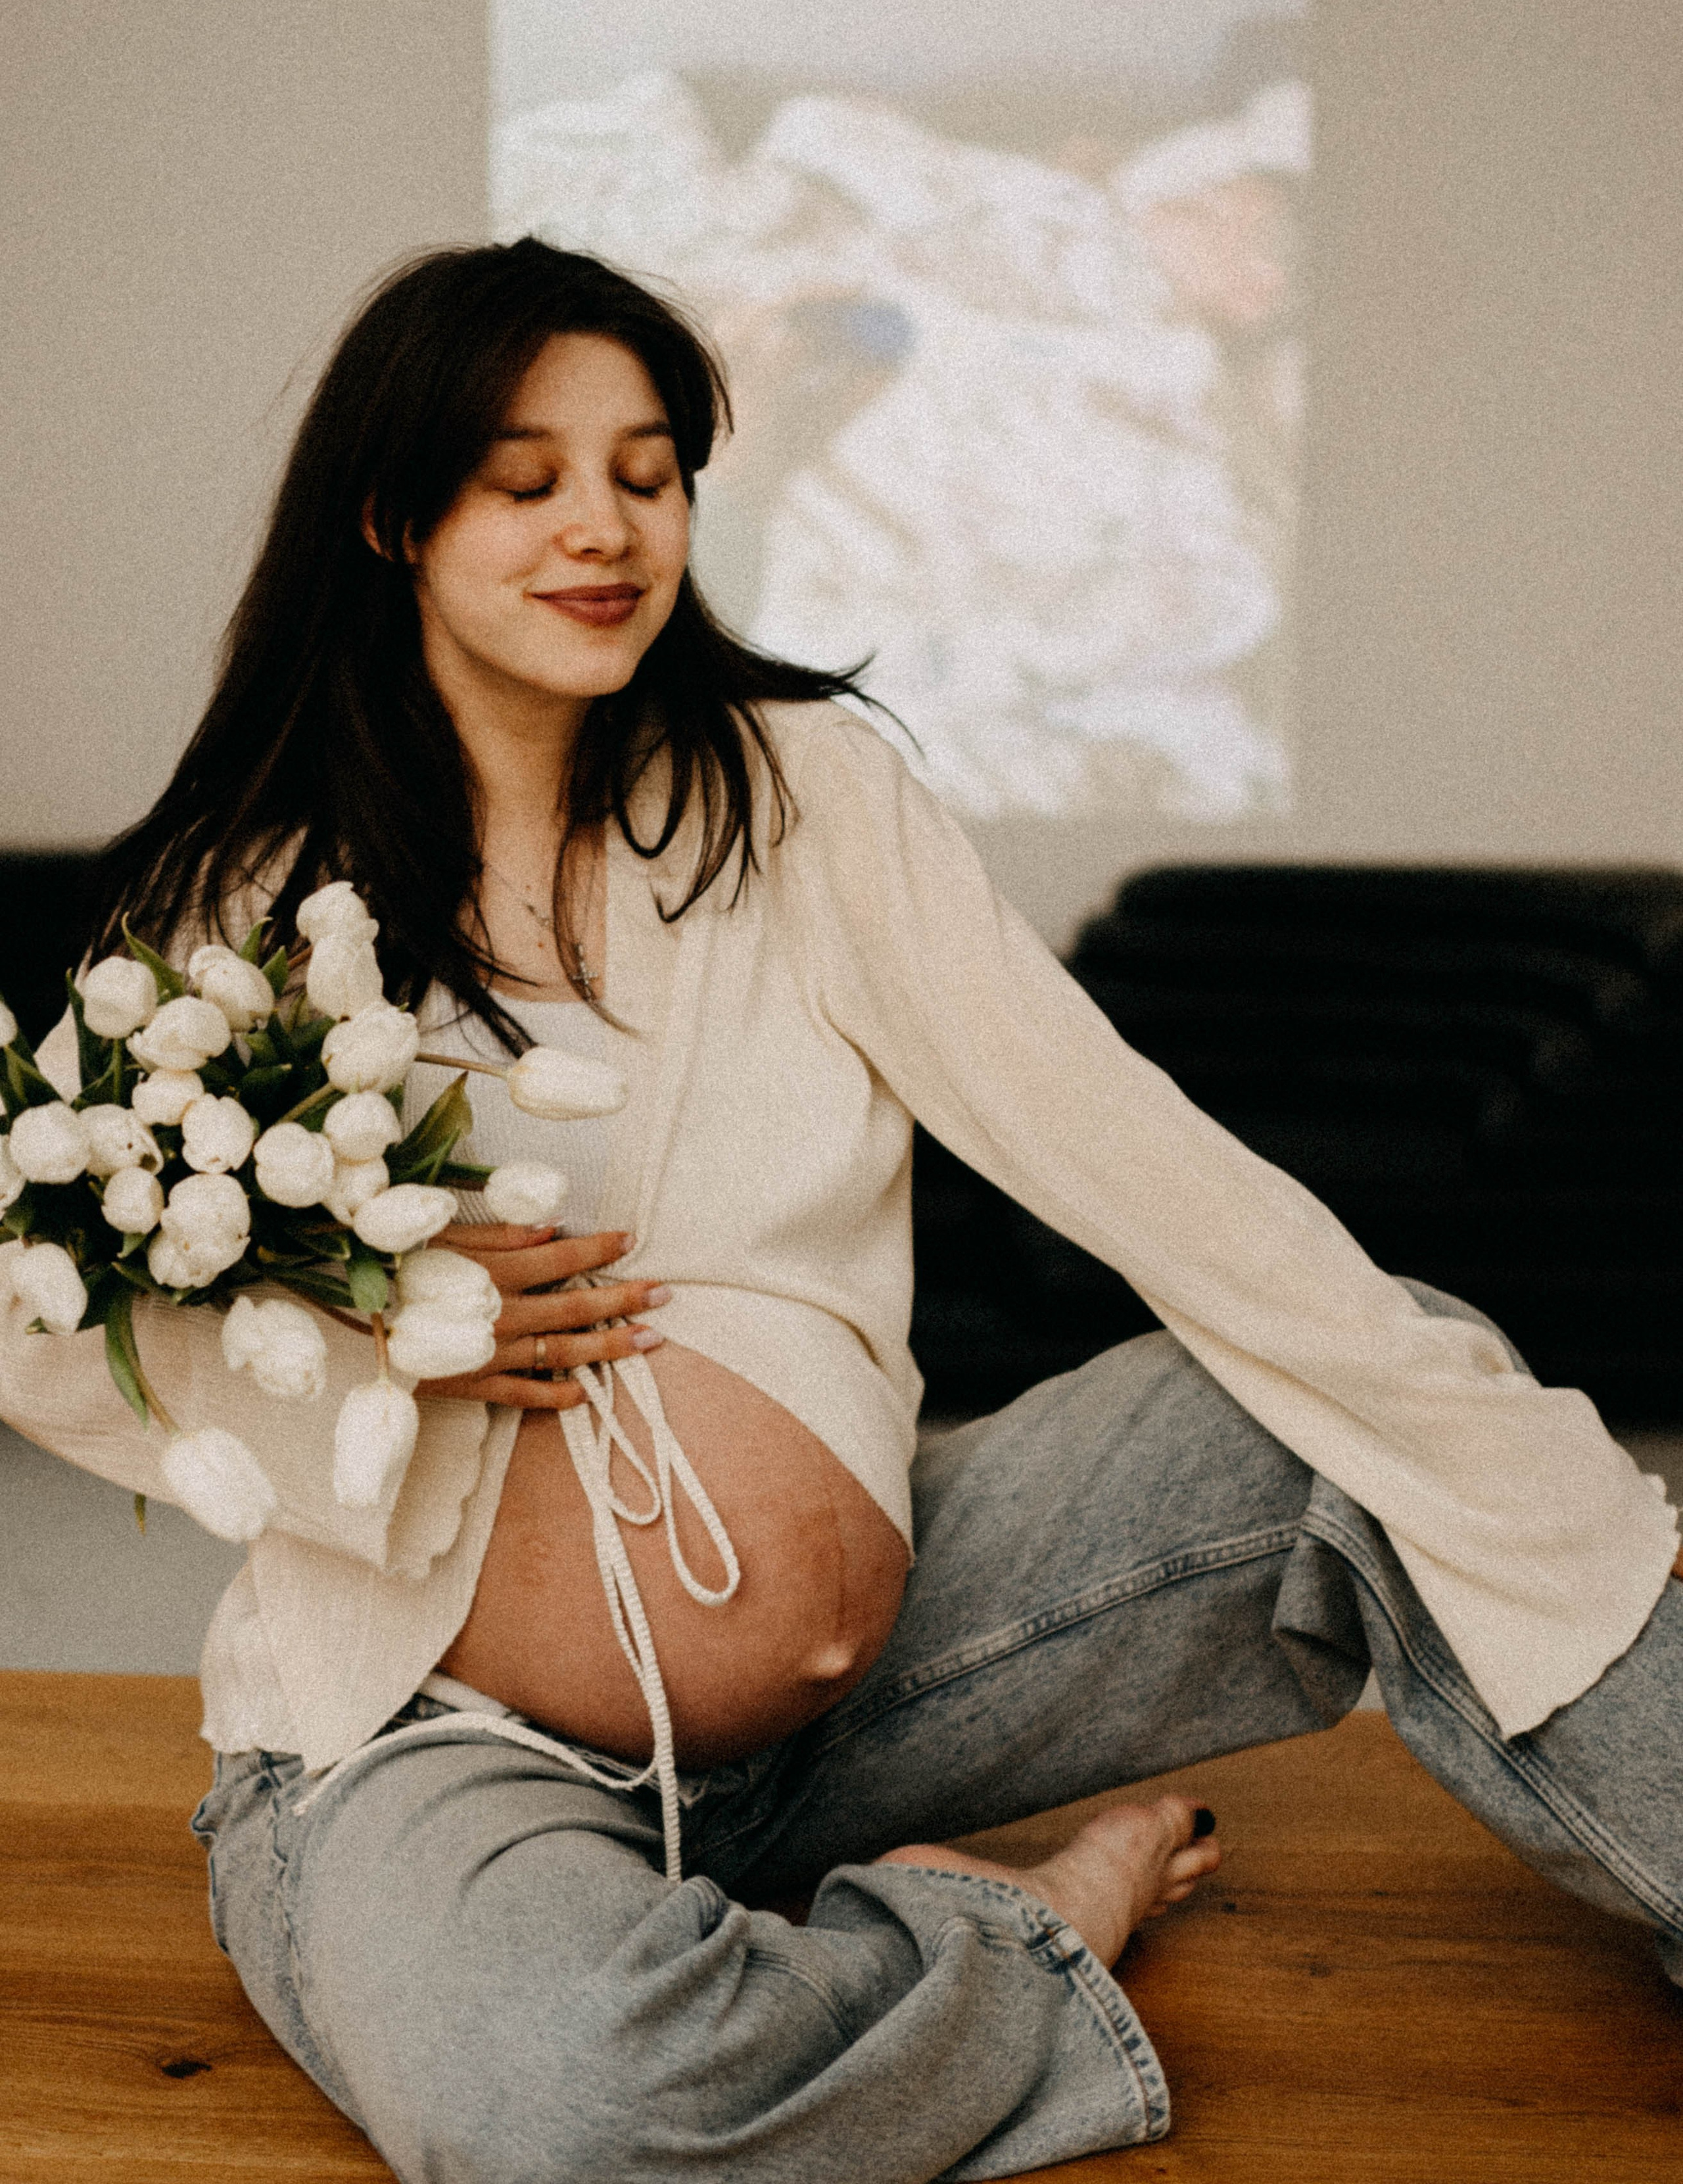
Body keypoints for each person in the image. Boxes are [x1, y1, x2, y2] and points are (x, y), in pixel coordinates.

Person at [3, 238, 1678, 2184]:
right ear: (393, 516)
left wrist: (1540, 1476)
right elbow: (44, 1310)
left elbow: (1146, 1166)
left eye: (647, 470)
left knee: (1384, 1413)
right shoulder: (248, 908)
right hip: (439, 1744)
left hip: (878, 1699)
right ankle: (1026, 1929)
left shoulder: (804, 803)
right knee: (570, 2104)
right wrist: (369, 1309)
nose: (604, 528)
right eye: (526, 479)